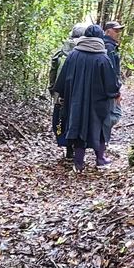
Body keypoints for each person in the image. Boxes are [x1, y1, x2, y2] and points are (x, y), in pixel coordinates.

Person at [53, 24, 120, 172]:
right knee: (100, 128)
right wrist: (115, 94)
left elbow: (62, 80)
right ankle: (100, 159)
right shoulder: (103, 58)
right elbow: (111, 84)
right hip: (98, 103)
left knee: (77, 127)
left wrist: (63, 96)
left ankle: (78, 163)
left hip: (75, 101)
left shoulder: (73, 55)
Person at [50, 25, 86, 160]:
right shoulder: (84, 52)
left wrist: (53, 90)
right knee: (77, 120)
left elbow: (53, 73)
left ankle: (67, 148)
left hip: (60, 94)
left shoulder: (60, 53)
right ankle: (76, 147)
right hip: (77, 94)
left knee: (60, 121)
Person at [102, 20, 125, 150]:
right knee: (111, 116)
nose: (118, 33)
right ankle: (103, 144)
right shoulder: (109, 48)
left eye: (119, 31)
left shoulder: (110, 46)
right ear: (108, 31)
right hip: (108, 90)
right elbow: (111, 71)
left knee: (110, 115)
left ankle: (102, 144)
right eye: (116, 30)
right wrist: (115, 91)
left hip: (107, 88)